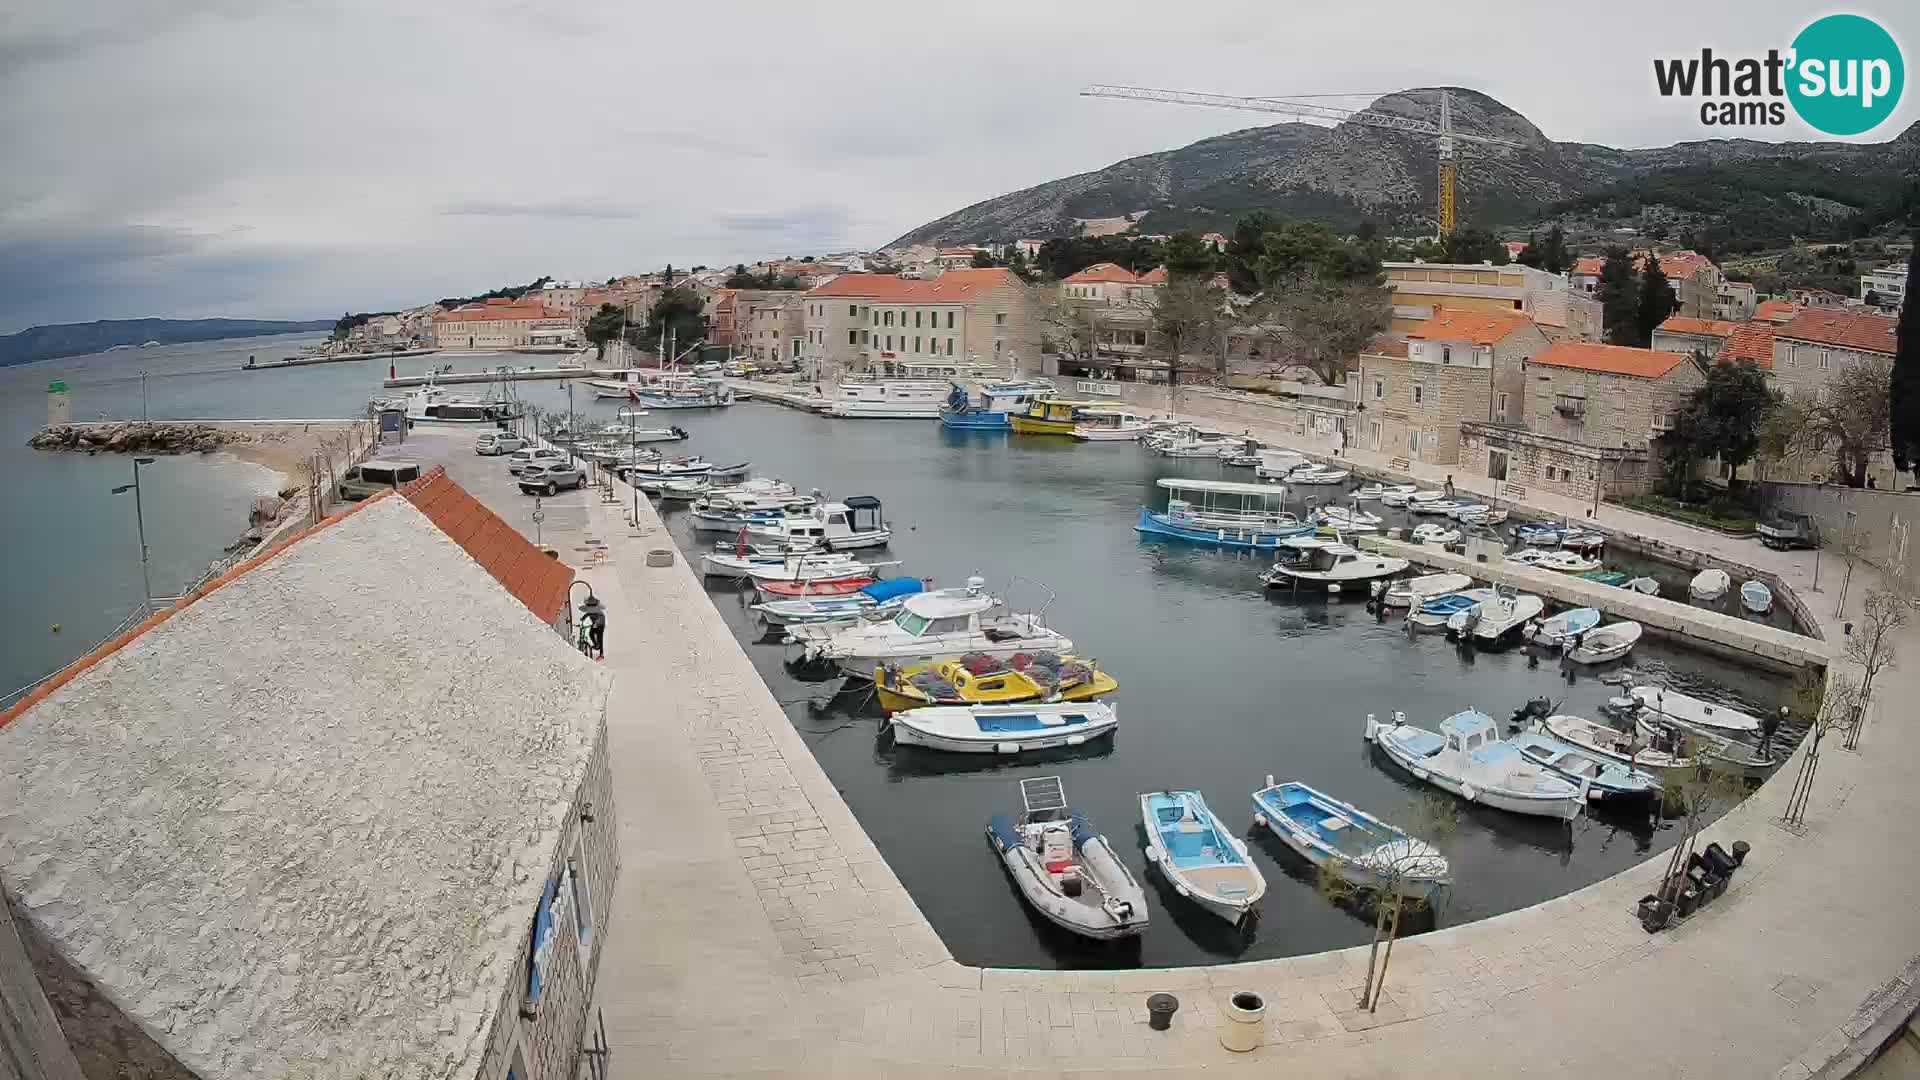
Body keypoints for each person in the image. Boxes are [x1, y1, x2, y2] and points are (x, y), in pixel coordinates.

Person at [580, 596, 607, 661]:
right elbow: (588, 613)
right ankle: (598, 647)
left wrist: (584, 617)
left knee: (597, 636)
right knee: (593, 634)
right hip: (598, 622)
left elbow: (584, 611)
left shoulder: (590, 608)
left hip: (599, 623)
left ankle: (600, 652)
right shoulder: (595, 608)